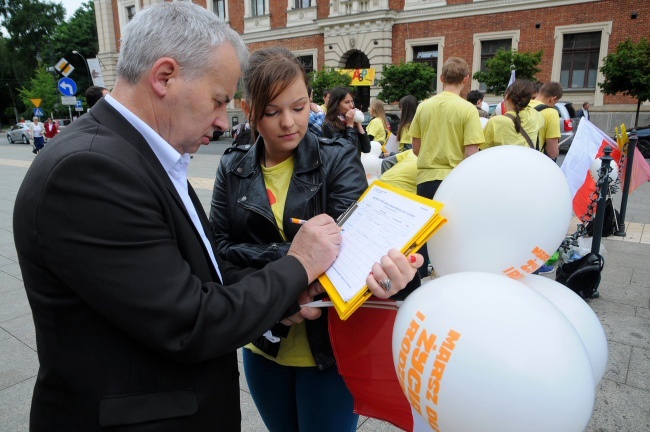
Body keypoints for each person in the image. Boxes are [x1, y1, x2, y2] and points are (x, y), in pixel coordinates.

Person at [12, 4, 422, 431]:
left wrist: (286, 292)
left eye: (299, 107)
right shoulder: (91, 171)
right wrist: (297, 266)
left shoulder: (139, 157)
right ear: (165, 76)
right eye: (218, 100)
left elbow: (205, 271)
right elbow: (189, 319)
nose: (221, 120)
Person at [210, 46, 398, 432]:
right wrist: (293, 260)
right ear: (249, 109)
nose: (288, 123)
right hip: (263, 342)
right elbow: (216, 252)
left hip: (329, 348)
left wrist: (274, 269)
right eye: (271, 111)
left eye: (298, 107)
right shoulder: (233, 166)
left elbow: (349, 248)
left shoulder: (336, 157)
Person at [411, 56, 484, 277]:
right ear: (466, 79)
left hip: (426, 178)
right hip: (455, 181)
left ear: (442, 78)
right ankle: (452, 274)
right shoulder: (468, 109)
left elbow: (416, 147)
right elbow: (471, 153)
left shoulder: (424, 106)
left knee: (423, 234)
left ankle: (419, 274)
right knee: (453, 233)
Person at [481, 79, 543, 149]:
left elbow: (483, 149)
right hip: (527, 159)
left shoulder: (495, 122)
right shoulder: (537, 115)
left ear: (507, 96)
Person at [322, 86, 371, 155]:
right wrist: (349, 126)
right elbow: (348, 151)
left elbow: (367, 148)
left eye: (352, 101)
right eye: (347, 102)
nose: (351, 105)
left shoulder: (351, 122)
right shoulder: (330, 125)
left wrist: (358, 125)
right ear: (336, 105)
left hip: (355, 164)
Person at [380, 94, 417, 174]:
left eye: (400, 107)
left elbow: (409, 151)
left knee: (385, 162)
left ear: (405, 109)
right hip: (408, 157)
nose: (400, 110)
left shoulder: (407, 126)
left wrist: (391, 154)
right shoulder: (413, 124)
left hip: (406, 159)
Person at [529, 81, 563, 160]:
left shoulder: (522, 106)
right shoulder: (551, 113)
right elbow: (552, 152)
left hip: (517, 157)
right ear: (553, 99)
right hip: (535, 161)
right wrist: (556, 149)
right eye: (555, 102)